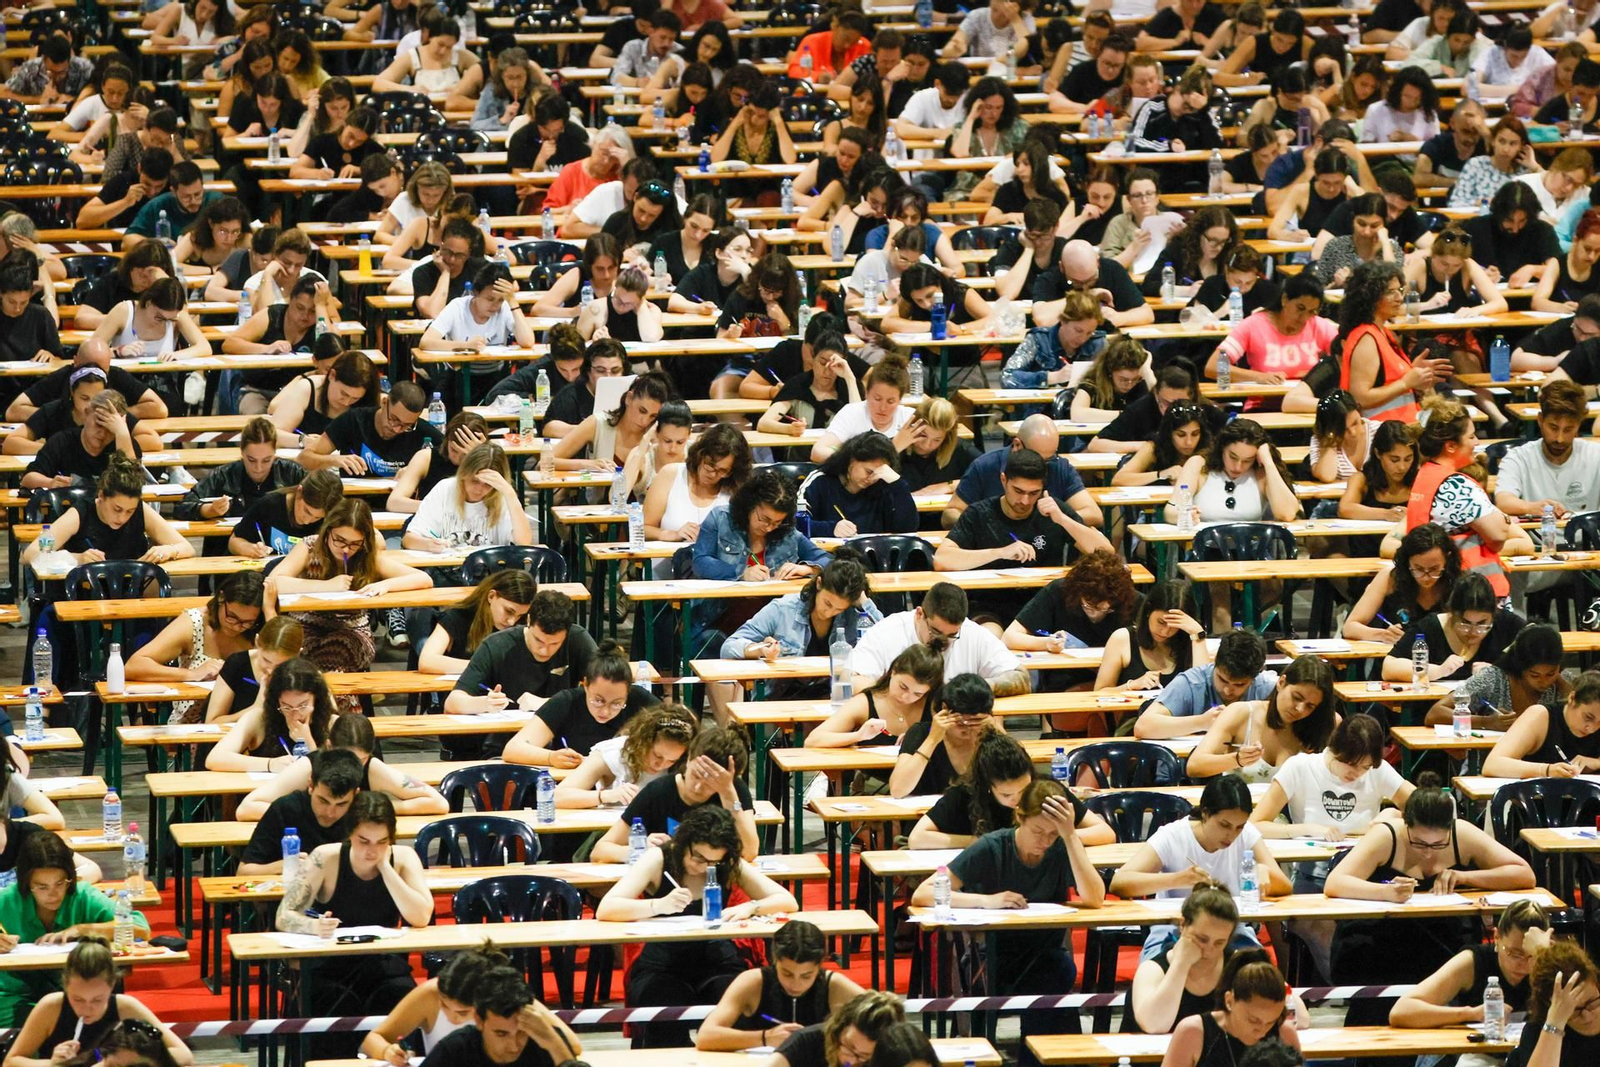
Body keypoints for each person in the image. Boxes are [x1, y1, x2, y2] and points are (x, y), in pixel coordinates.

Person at [909, 779, 1105, 1063]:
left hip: (1044, 955)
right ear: (1020, 817)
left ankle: (1040, 1058)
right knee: (1049, 980)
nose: (1045, 841)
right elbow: (924, 893)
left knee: (1058, 972)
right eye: (1038, 831)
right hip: (991, 957)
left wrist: (1071, 836)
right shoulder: (992, 846)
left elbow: (1095, 898)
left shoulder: (1061, 847)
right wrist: (986, 900)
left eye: (1053, 834)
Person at [598, 806, 798, 1046]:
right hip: (662, 964)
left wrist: (751, 906)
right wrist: (657, 905)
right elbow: (607, 908)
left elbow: (787, 900)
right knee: (663, 1008)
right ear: (684, 843)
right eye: (698, 858)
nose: (704, 867)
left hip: (717, 961)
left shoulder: (728, 864)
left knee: (735, 1002)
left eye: (713, 861)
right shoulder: (658, 859)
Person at [1325, 780, 1535, 996]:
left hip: (1443, 936)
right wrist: (1385, 892)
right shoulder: (1386, 836)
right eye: (1419, 842)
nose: (1428, 852)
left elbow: (1524, 873)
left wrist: (1464, 877)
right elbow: (1335, 882)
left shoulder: (1462, 834)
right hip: (1380, 937)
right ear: (1406, 825)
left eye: (1438, 844)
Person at [275, 792, 432, 1057]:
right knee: (332, 1002)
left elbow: (421, 916)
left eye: (382, 842)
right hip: (331, 967)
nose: (372, 850)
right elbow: (284, 915)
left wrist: (386, 869)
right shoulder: (325, 858)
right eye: (364, 841)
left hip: (382, 966)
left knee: (404, 995)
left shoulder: (403, 858)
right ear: (349, 834)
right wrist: (314, 926)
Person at [1110, 775, 1292, 959]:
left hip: (1230, 929)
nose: (1231, 834)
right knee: (1156, 967)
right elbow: (1119, 882)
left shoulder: (1247, 834)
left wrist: (1264, 872)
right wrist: (1177, 879)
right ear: (1205, 813)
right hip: (1175, 928)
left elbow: (1285, 886)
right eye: (1224, 825)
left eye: (1239, 827)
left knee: (1254, 968)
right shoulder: (1173, 835)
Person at [935, 449, 1114, 625]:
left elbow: (1106, 552)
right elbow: (942, 560)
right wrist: (1000, 552)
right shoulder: (979, 513)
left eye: (1034, 493)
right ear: (1003, 480)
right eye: (1018, 491)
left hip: (1045, 605)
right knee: (992, 635)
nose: (1025, 501)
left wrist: (1062, 519)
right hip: (990, 605)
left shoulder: (1054, 511)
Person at [272, 501, 432, 680]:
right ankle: (333, 695)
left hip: (352, 630)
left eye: (355, 543)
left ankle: (326, 696)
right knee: (304, 652)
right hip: (306, 625)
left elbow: (423, 578)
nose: (346, 549)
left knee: (337, 650)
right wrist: (327, 586)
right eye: (339, 540)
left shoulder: (366, 556)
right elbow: (273, 581)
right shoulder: (310, 547)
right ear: (328, 531)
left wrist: (385, 585)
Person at [0, 836, 149, 1024]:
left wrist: (83, 929)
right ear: (26, 883)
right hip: (14, 995)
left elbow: (141, 928)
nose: (53, 894)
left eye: (60, 883)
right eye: (41, 887)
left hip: (77, 993)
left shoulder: (83, 895)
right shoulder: (7, 899)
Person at [1396, 395, 1533, 597]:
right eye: (1471, 437)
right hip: (1469, 594)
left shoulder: (1425, 475)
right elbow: (1498, 536)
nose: (1476, 442)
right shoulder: (1456, 485)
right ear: (1451, 446)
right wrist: (1503, 519)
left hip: (1437, 589)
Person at [3, 939, 192, 1067]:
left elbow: (183, 1055)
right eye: (77, 999)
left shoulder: (125, 1007)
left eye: (97, 999)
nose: (87, 1008)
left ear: (112, 985)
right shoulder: (51, 1007)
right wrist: (52, 1064)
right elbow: (11, 1062)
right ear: (65, 985)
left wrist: (127, 1059)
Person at [591, 725, 757, 863]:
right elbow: (600, 851)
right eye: (696, 775)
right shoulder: (658, 791)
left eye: (710, 784)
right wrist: (639, 850)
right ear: (689, 758)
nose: (698, 787)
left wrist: (728, 794)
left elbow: (749, 852)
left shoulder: (733, 791)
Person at [695, 920, 863, 1051]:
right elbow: (705, 1036)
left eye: (806, 976)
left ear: (820, 966)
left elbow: (879, 1015)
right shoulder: (753, 982)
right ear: (774, 960)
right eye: (787, 974)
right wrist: (766, 1037)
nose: (796, 984)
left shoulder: (833, 985)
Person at [1391, 900, 1552, 1029]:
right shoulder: (1473, 961)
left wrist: (1545, 958)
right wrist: (1472, 1014)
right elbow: (1401, 1011)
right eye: (1514, 954)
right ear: (1497, 937)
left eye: (1531, 956)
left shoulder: (1549, 964)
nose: (1523, 965)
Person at [125, 573, 263, 720]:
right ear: (221, 598)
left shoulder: (260, 631)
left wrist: (270, 612)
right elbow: (133, 666)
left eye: (247, 622)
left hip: (246, 722)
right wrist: (192, 674)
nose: (237, 627)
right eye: (232, 617)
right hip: (192, 722)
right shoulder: (194, 623)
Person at [850, 582, 1027, 696]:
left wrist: (976, 687)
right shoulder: (887, 632)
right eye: (935, 631)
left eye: (952, 635)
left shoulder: (973, 633)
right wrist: (905, 692)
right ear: (919, 614)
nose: (943, 641)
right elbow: (854, 681)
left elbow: (1021, 677)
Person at [1185, 656, 1340, 783]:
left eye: (1310, 706)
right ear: (1281, 683)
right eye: (1296, 697)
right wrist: (1237, 759)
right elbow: (1194, 765)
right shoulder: (1240, 713)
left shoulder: (1327, 725)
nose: (1300, 709)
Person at [21, 453, 189, 569]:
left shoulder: (141, 509)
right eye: (117, 509)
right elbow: (30, 555)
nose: (122, 517)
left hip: (130, 592)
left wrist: (168, 550)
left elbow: (187, 547)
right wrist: (78, 558)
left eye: (129, 511)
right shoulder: (80, 513)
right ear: (101, 496)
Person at [503, 640, 652, 768]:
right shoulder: (566, 702)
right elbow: (513, 749)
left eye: (616, 704)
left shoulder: (639, 699)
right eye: (598, 701)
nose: (605, 711)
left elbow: (667, 722)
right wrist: (550, 757)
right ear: (585, 685)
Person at [446, 590, 597, 715]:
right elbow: (452, 702)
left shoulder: (578, 639)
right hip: (505, 735)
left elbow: (605, 691)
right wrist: (484, 703)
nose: (545, 650)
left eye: (555, 644)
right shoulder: (496, 645)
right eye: (538, 640)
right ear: (529, 621)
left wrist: (549, 703)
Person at [1336, 262, 1448, 424]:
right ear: (1371, 296)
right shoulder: (1366, 338)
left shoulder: (1383, 333)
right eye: (1390, 292)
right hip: (1379, 431)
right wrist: (1406, 382)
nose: (1399, 298)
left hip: (1399, 427)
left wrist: (1412, 370)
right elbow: (1359, 398)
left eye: (1400, 290)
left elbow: (1387, 379)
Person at [361, 946, 512, 1063]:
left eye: (462, 1013)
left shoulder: (509, 1001)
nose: (451, 1018)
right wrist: (387, 1051)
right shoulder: (430, 993)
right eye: (444, 1006)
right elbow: (371, 1040)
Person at [418, 967, 580, 1067]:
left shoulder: (546, 1041)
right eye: (501, 1034)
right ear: (479, 1020)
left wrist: (553, 1042)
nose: (514, 1046)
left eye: (522, 1032)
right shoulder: (455, 1050)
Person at [1157, 958, 1302, 1067]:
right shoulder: (1193, 1032)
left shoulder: (1285, 1033)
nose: (1262, 1031)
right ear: (1229, 1001)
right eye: (1253, 1020)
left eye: (1271, 1022)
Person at [204, 656, 338, 772]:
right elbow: (214, 758)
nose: (296, 715)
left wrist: (308, 744)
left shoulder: (331, 723)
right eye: (287, 707)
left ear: (316, 699)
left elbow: (338, 775)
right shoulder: (259, 719)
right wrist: (270, 764)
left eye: (303, 706)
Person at [237, 747, 361, 873]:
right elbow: (243, 872)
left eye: (341, 804)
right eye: (323, 801)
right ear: (310, 785)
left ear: (355, 794)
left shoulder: (361, 815)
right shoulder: (285, 809)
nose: (330, 813)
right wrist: (282, 866)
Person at [553, 703, 698, 809]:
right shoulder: (612, 753)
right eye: (657, 756)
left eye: (671, 760)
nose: (660, 765)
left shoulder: (685, 763)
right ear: (643, 741)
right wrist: (607, 796)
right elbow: (558, 796)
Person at [808, 644, 943, 757]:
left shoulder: (935, 704)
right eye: (903, 687)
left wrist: (925, 736)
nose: (906, 697)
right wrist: (858, 736)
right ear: (893, 671)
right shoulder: (866, 702)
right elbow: (813, 740)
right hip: (873, 778)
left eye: (918, 694)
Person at [1430, 621, 1568, 729]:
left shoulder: (1563, 683)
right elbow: (1435, 713)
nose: (1544, 681)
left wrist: (1562, 683)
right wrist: (1485, 722)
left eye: (1550, 674)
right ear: (1521, 666)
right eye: (1535, 675)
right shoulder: (1493, 678)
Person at [1004, 548, 1139, 656]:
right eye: (1088, 606)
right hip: (1064, 676)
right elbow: (1009, 637)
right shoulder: (1059, 590)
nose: (1095, 614)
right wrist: (1046, 643)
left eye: (1104, 609)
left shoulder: (1131, 599)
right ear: (1078, 592)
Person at [403, 443, 533, 553]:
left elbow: (524, 542)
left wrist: (510, 494)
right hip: (445, 568)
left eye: (488, 485)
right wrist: (428, 544)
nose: (479, 489)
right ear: (464, 474)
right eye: (474, 481)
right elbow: (409, 540)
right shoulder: (445, 489)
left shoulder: (503, 495)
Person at [1345, 523, 1462, 643]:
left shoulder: (1458, 581)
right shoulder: (1390, 578)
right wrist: (1382, 635)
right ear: (1407, 561)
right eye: (1418, 569)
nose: (1426, 577)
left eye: (1434, 569)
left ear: (1447, 559)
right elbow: (1350, 627)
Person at [889, 672, 1000, 798]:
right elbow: (897, 790)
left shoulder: (992, 736)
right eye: (960, 723)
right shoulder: (921, 733)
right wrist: (932, 740)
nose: (968, 730)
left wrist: (998, 733)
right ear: (944, 709)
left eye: (976, 722)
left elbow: (1017, 785)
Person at [297, 382, 439, 478]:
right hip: (353, 502)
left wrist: (418, 470)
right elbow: (303, 459)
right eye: (394, 419)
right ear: (384, 402)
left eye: (407, 425)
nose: (397, 429)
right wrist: (333, 460)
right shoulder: (353, 420)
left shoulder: (422, 431)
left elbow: (450, 463)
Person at [1092, 581, 1210, 693]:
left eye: (1174, 626)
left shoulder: (1191, 640)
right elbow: (1099, 693)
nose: (1165, 632)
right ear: (1148, 610)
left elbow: (1202, 690)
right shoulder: (1122, 638)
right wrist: (1131, 685)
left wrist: (1197, 634)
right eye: (1161, 622)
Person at [416, 571, 537, 677]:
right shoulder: (458, 616)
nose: (512, 622)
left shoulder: (524, 623)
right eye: (508, 611)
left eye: (520, 615)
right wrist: (483, 666)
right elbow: (427, 661)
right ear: (491, 596)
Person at [1483, 669, 1600, 778]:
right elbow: (1493, 764)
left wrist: (1597, 763)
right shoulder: (1540, 716)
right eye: (1588, 717)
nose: (1591, 729)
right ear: (1572, 698)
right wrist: (1546, 770)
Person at [796, 433, 916, 538]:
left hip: (875, 552)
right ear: (851, 461)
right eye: (869, 471)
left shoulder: (884, 484)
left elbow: (907, 529)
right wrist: (830, 528)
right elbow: (794, 524)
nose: (872, 478)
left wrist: (899, 485)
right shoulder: (820, 481)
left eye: (879, 473)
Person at [1503, 940, 1600, 1067]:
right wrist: (1556, 1022)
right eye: (1575, 1010)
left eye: (1592, 1002)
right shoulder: (1536, 1031)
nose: (1587, 1016)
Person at [810, 355, 916, 464]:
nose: (883, 407)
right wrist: (859, 460)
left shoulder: (908, 418)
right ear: (867, 393)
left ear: (900, 400)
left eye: (890, 402)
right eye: (877, 399)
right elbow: (818, 452)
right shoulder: (852, 413)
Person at [268, 348, 381, 446]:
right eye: (344, 393)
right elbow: (273, 434)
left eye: (355, 398)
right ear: (332, 375)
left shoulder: (371, 400)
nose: (346, 402)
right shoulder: (307, 388)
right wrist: (304, 441)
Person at [1033, 240, 1154, 330]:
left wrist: (1119, 318)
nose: (1084, 287)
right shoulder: (1049, 279)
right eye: (1076, 282)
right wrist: (1088, 295)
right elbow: (1042, 320)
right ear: (1062, 267)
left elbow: (1147, 314)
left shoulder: (1112, 270)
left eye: (1091, 280)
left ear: (1097, 261)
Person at [203, 616, 303, 725]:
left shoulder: (304, 676)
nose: (271, 670)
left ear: (298, 655)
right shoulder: (238, 664)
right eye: (266, 660)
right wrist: (256, 709)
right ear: (257, 641)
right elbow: (212, 722)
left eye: (281, 665)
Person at [763, 992, 905, 1067]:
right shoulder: (806, 1042)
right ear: (840, 1026)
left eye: (863, 1056)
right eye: (849, 1047)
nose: (850, 1061)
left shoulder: (895, 1058)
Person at [230, 470, 343, 558]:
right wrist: (250, 549)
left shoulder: (333, 519)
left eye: (317, 517)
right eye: (307, 511)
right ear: (299, 492)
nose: (307, 521)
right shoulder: (269, 505)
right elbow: (234, 541)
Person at [1112, 402, 1216, 489]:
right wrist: (1161, 474)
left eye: (1195, 434)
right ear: (1169, 433)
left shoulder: (1210, 449)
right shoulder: (1154, 447)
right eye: (1181, 435)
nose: (1189, 442)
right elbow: (1119, 479)